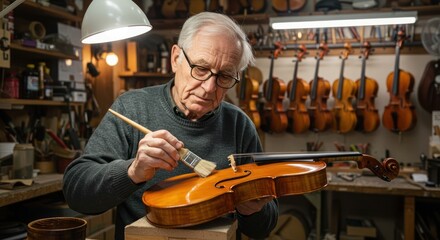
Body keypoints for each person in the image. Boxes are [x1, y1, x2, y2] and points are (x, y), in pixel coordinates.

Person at [63, 12, 278, 240]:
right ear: (175, 58)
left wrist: (252, 210)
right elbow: (77, 194)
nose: (208, 87)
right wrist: (132, 172)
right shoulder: (132, 107)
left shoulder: (239, 124)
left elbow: (264, 228)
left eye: (224, 76)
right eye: (201, 69)